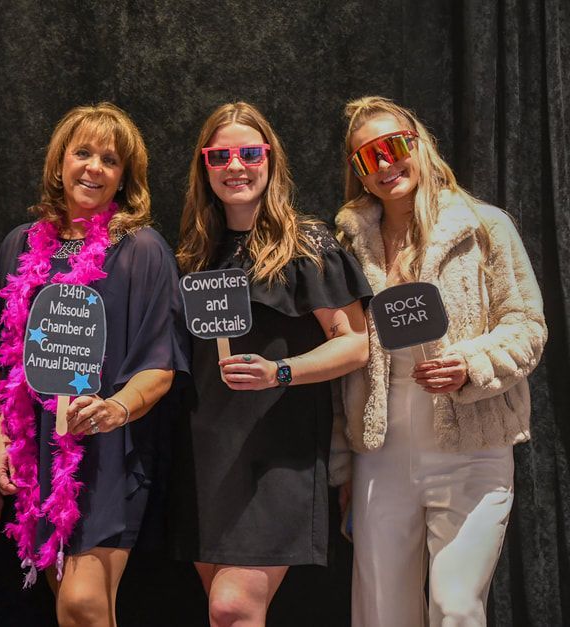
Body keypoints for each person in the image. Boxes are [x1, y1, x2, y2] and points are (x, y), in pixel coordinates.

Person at [333, 95, 548, 626]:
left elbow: (527, 325)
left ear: (418, 143)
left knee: (456, 607)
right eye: (368, 156)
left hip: (473, 444)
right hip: (381, 452)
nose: (385, 164)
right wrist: (342, 464)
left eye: (393, 146)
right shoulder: (349, 244)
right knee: (382, 612)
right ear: (358, 171)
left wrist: (470, 365)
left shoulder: (483, 225)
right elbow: (344, 356)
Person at [171, 102, 372, 627]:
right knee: (223, 614)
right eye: (221, 156)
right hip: (205, 454)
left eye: (249, 153)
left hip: (279, 451)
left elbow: (355, 344)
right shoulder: (194, 251)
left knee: (232, 606)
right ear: (204, 166)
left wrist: (280, 371)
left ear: (270, 159)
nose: (235, 166)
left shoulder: (306, 245)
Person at [0, 102, 189, 627]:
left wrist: (115, 409)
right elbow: (3, 360)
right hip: (38, 446)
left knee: (81, 603)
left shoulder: (142, 250)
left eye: (110, 159)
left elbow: (161, 364)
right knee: (75, 608)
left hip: (110, 446)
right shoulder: (19, 245)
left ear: (125, 176)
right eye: (83, 153)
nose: (94, 167)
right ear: (60, 162)